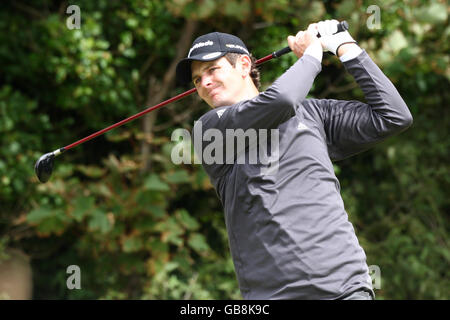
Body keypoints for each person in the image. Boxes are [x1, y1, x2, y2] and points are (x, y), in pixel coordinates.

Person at [175, 20, 413, 300]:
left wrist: (344, 46)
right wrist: (312, 54)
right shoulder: (209, 131)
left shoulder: (313, 114)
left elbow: (394, 116)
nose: (204, 83)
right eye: (197, 80)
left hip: (346, 289)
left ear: (243, 65)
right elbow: (282, 100)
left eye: (212, 69)